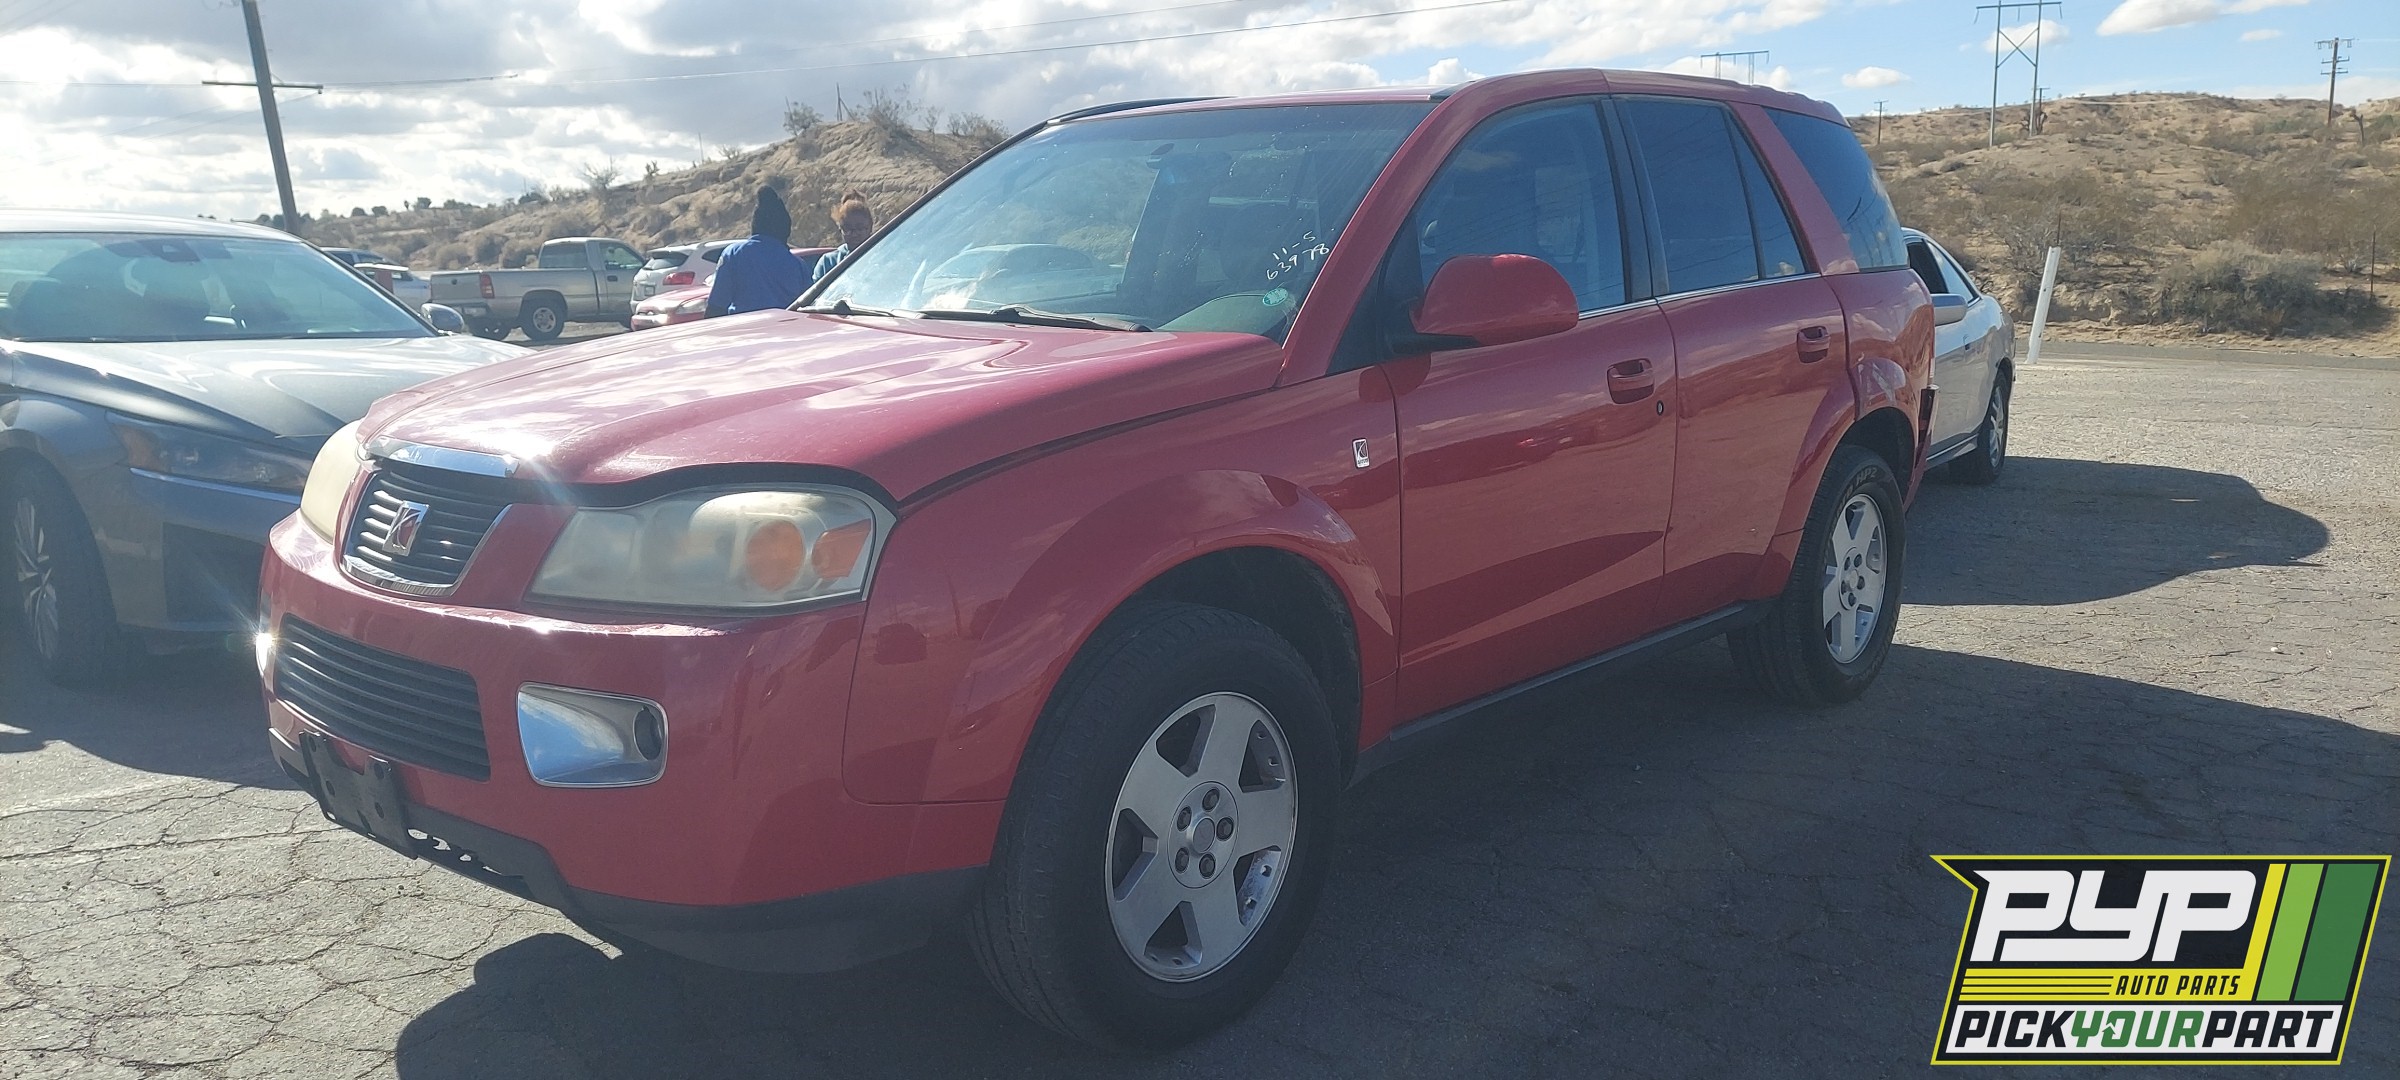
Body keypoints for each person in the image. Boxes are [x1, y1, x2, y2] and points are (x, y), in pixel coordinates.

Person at [706, 187, 811, 318]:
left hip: (745, 331)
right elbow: (809, 308)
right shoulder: (798, 265)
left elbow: (716, 306)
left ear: (755, 225)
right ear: (785, 231)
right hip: (787, 331)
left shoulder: (734, 254)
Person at [811, 190, 875, 283]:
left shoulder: (880, 257)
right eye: (848, 229)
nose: (854, 234)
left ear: (870, 227)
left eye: (860, 228)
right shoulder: (828, 262)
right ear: (840, 229)